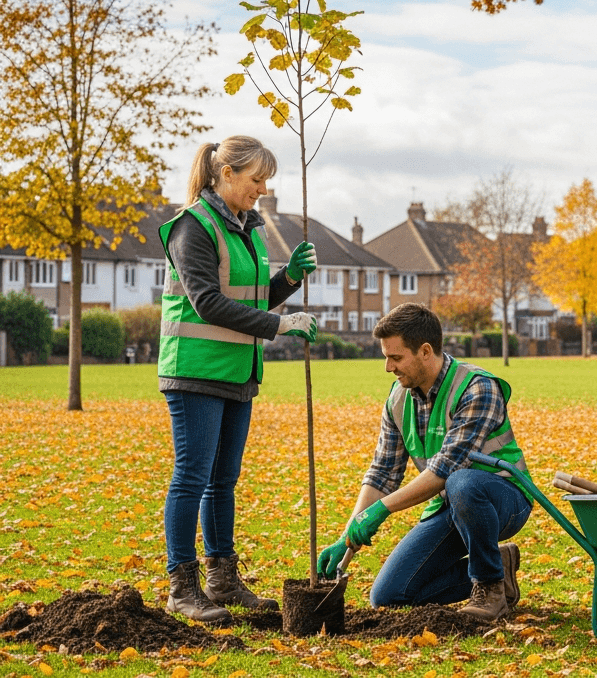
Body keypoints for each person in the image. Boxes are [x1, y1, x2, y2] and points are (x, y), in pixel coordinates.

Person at [159, 136, 319, 623]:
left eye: (266, 181)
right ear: (226, 174)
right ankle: (181, 587)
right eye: (257, 179)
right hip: (195, 370)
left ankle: (222, 580)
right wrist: (280, 326)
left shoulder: (248, 228)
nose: (263, 190)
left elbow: (249, 299)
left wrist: (288, 280)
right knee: (192, 477)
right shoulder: (192, 227)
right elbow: (208, 302)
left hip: (237, 371)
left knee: (223, 481)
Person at [317, 303, 533, 623]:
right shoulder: (398, 399)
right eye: (386, 357)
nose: (388, 367)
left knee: (462, 481)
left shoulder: (477, 388)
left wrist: (382, 510)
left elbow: (446, 469)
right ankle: (499, 568)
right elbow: (383, 472)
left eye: (396, 357)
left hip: (503, 498)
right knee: (388, 596)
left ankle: (489, 588)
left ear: (426, 351)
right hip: (451, 504)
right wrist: (349, 532)